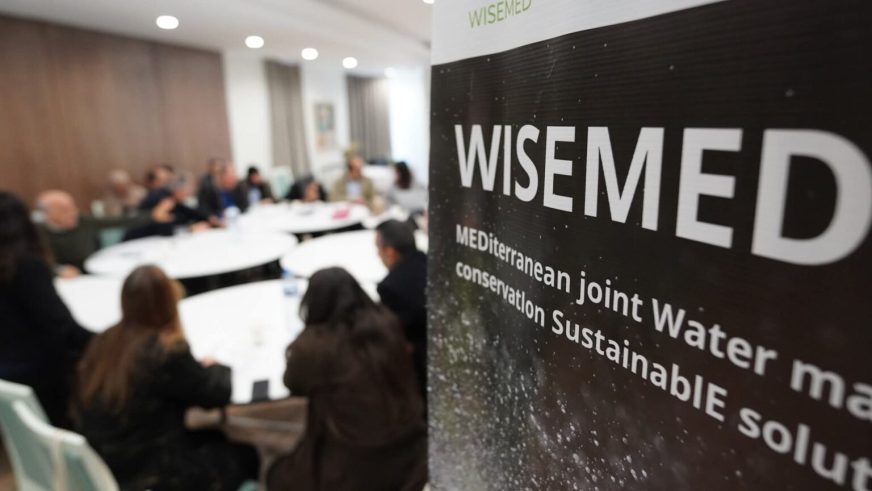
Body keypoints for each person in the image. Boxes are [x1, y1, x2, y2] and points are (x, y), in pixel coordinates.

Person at [75, 265, 259, 491]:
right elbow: (216, 393)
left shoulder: (104, 340)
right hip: (154, 474)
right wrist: (217, 367)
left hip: (106, 466)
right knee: (246, 455)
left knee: (215, 437)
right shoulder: (164, 351)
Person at [267, 267, 427, 491]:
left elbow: (293, 383)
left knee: (275, 474)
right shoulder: (387, 324)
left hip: (354, 461)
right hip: (410, 447)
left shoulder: (315, 346)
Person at [0, 191, 94, 428]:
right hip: (40, 376)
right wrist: (107, 342)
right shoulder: (26, 266)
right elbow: (61, 327)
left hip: (9, 375)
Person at [36, 190, 172, 276]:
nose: (73, 213)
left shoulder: (84, 222)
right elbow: (34, 262)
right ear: (48, 214)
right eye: (64, 210)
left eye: (73, 207)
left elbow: (119, 221)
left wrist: (152, 216)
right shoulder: (38, 232)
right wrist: (57, 270)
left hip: (94, 271)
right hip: (65, 279)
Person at [375, 220, 428, 402]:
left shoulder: (390, 287)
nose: (377, 254)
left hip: (420, 366)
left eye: (378, 248)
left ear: (390, 251)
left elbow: (394, 331)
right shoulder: (430, 263)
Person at [123, 173, 213, 240]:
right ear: (179, 189)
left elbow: (190, 213)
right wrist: (189, 229)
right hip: (138, 241)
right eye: (188, 191)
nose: (190, 194)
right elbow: (165, 230)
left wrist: (208, 219)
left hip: (153, 241)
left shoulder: (176, 199)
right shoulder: (161, 199)